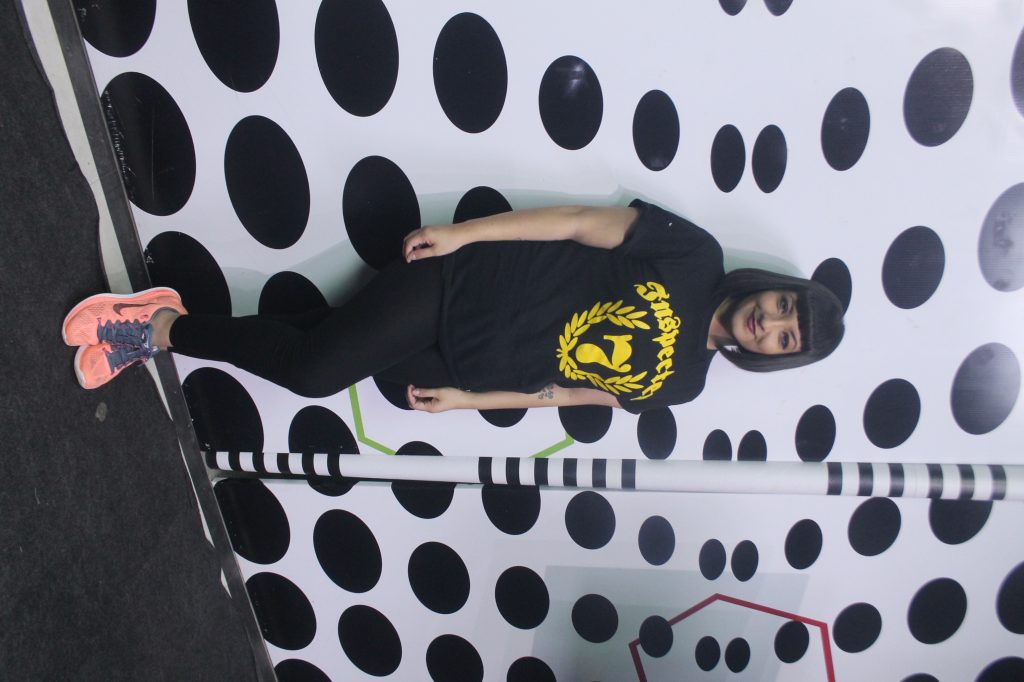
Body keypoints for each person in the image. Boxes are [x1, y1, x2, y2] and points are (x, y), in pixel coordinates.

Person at [63, 200, 845, 412]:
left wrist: (473, 403)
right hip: (467, 286)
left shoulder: (685, 386)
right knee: (313, 371)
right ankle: (159, 329)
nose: (772, 323)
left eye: (785, 337)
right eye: (785, 306)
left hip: (467, 362)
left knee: (321, 340)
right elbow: (578, 222)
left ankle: (164, 319)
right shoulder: (696, 256)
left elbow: (569, 393)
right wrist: (463, 234)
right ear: (772, 288)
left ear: (775, 356)